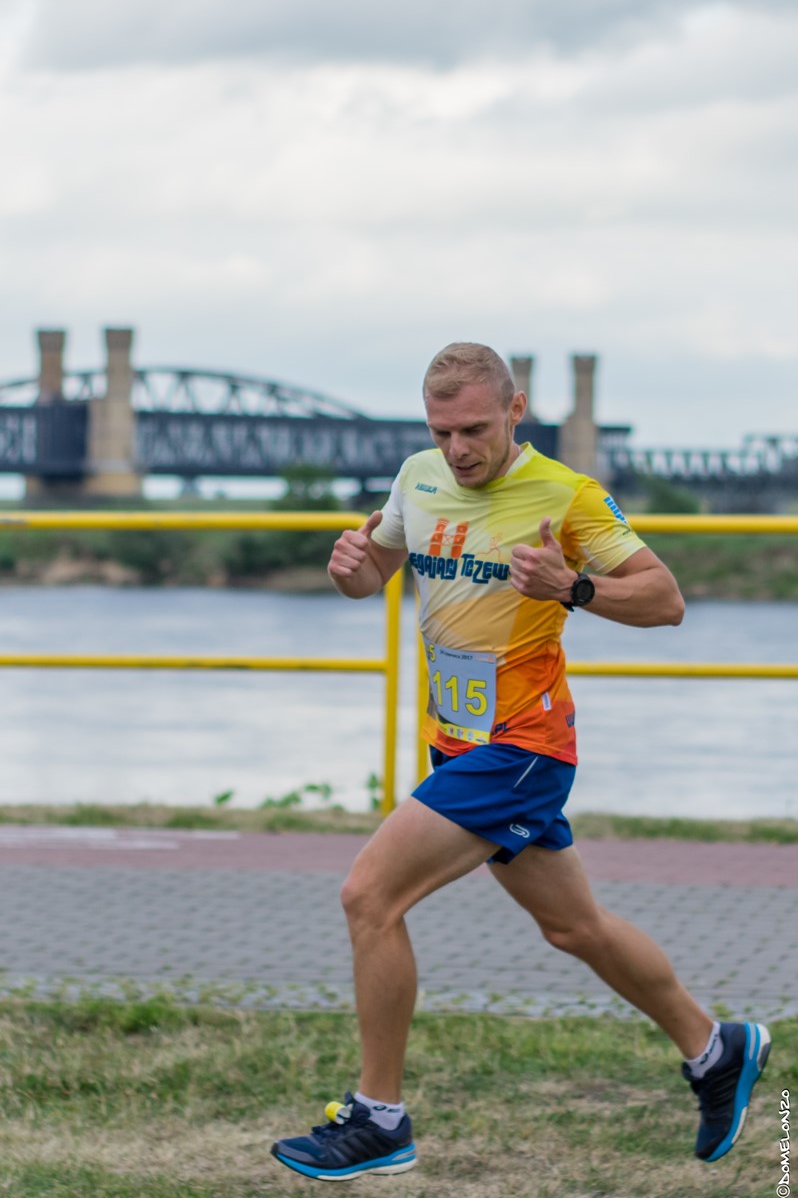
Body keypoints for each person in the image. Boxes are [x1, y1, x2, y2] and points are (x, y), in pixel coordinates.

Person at [271, 342, 770, 1183]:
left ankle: (379, 1119)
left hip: (523, 748)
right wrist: (350, 571)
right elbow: (376, 572)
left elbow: (666, 600)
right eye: (442, 431)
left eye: (474, 429)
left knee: (370, 896)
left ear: (515, 410)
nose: (458, 449)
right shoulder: (417, 477)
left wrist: (573, 587)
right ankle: (716, 1048)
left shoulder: (566, 495)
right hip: (459, 742)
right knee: (573, 927)